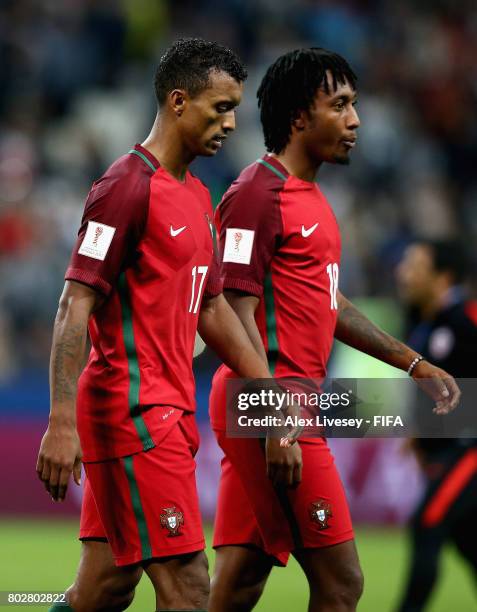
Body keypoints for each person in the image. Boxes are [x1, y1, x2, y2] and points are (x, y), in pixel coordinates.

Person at [36, 38, 302, 612]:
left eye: (236, 109)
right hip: (132, 413)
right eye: (220, 107)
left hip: (168, 408)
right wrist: (61, 422)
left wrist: (271, 393)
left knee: (103, 588)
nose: (231, 123)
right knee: (187, 584)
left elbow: (210, 310)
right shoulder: (125, 188)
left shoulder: (198, 195)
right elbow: (73, 305)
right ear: (179, 102)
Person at [207, 48, 461, 612]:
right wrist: (276, 419)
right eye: (340, 105)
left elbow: (328, 303)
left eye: (355, 105)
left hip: (278, 403)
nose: (356, 120)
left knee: (237, 583)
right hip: (271, 401)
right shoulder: (257, 193)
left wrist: (412, 363)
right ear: (300, 117)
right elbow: (231, 314)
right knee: (341, 583)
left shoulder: (312, 199)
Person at [395, 239, 477, 611]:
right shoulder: (423, 323)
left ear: (442, 276)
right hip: (443, 453)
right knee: (470, 543)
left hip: (468, 452)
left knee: (427, 523)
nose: (403, 273)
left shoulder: (468, 319)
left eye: (414, 266)